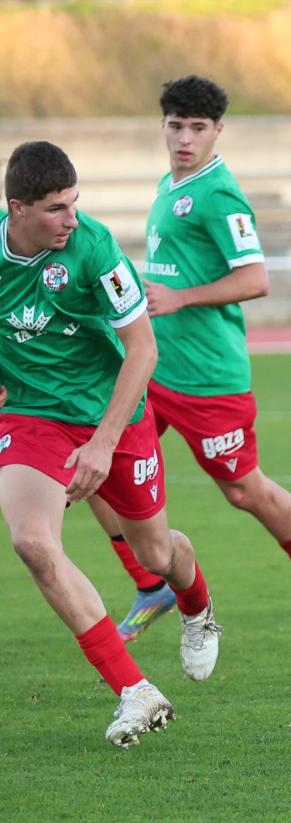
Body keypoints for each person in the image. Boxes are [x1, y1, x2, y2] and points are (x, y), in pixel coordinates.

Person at [96, 76, 291, 647]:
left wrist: (181, 297)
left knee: (244, 492)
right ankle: (150, 584)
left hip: (208, 378)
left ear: (218, 130)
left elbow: (256, 278)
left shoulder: (219, 194)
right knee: (97, 460)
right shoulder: (171, 182)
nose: (184, 137)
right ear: (162, 126)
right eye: (175, 125)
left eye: (197, 128)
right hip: (154, 367)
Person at [0, 141, 223, 747]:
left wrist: (103, 442)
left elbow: (144, 349)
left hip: (113, 415)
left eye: (75, 203)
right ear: (16, 208)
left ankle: (198, 610)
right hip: (33, 415)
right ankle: (135, 690)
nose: (71, 219)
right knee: (33, 543)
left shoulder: (93, 246)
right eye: (55, 208)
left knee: (155, 555)